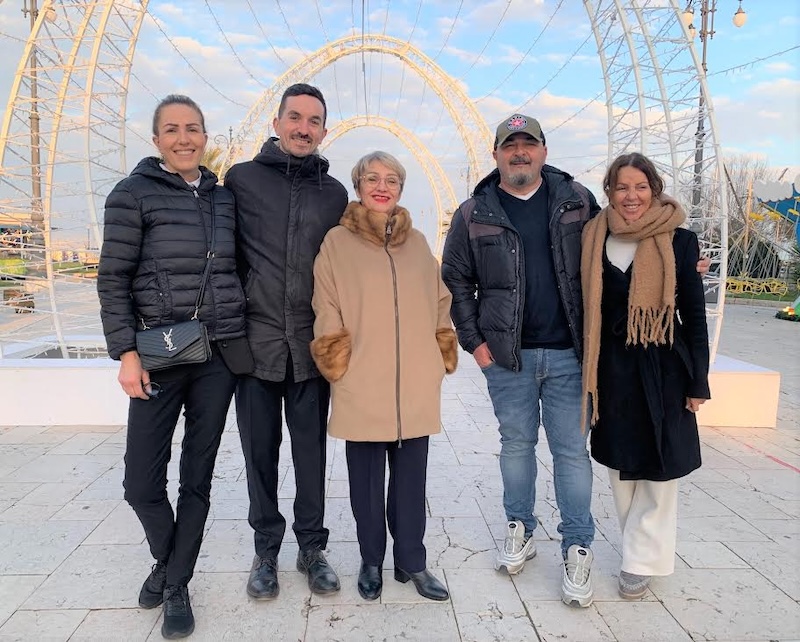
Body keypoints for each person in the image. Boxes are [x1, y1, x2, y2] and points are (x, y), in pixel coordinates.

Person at [97, 94, 247, 638]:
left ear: (206, 136)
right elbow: (111, 279)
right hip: (159, 354)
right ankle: (167, 559)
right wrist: (126, 354)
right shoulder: (132, 194)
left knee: (197, 477)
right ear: (157, 139)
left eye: (193, 129)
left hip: (217, 356)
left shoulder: (224, 198)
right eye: (172, 129)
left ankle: (176, 582)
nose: (184, 138)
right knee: (141, 482)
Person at [442, 113, 600, 607]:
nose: (519, 153)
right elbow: (456, 280)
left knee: (572, 453)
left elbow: (613, 253)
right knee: (516, 446)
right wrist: (476, 344)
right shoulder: (475, 212)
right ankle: (520, 528)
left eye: (528, 144)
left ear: (544, 152)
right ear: (496, 155)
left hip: (570, 355)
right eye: (510, 145)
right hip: (507, 359)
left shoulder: (578, 201)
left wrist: (681, 254)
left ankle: (578, 545)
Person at [310, 151, 457, 602]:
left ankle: (412, 562)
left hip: (415, 383)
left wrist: (440, 353)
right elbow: (326, 305)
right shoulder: (337, 242)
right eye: (372, 177)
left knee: (412, 481)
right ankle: (371, 560)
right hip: (362, 381)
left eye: (391, 179)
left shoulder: (417, 246)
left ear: (399, 188)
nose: (382, 185)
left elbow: (439, 300)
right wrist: (340, 362)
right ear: (357, 185)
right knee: (366, 483)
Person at [224, 83, 348, 599]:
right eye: (294, 117)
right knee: (260, 454)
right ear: (277, 123)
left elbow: (348, 271)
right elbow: (223, 260)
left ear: (323, 130)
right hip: (255, 347)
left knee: (311, 453)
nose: (303, 127)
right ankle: (266, 550)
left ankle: (312, 547)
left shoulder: (335, 193)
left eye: (313, 120)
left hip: (311, 347)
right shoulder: (242, 181)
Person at [580, 152, 710, 600]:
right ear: (609, 192)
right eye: (621, 187)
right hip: (612, 370)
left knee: (659, 467)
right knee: (622, 466)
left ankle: (640, 560)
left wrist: (699, 382)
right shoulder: (595, 237)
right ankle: (638, 546)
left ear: (654, 189)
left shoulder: (679, 240)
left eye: (640, 187)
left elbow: (694, 315)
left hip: (664, 369)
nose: (631, 196)